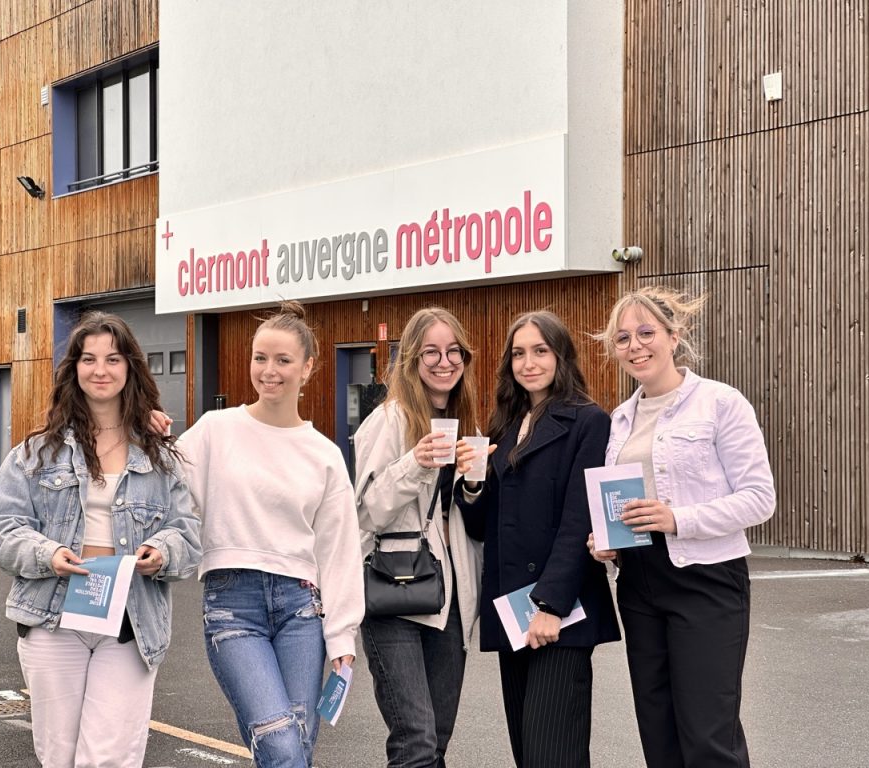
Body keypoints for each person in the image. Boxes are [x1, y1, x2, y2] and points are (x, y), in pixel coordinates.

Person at [0, 311, 202, 768]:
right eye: (89, 359)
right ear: (74, 368)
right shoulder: (35, 454)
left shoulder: (160, 456)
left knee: (109, 757)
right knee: (59, 756)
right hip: (53, 617)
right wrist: (48, 553)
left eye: (113, 359)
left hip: (129, 621)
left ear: (130, 368)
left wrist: (161, 552)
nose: (101, 370)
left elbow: (187, 533)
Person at [589, 286, 776, 768]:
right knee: (659, 733)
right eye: (623, 338)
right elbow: (622, 502)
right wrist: (606, 538)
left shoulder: (720, 402)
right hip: (638, 580)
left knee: (708, 736)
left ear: (674, 336)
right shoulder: (620, 419)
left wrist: (678, 519)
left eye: (646, 332)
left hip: (706, 580)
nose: (635, 346)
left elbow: (760, 499)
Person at [177, 300, 363, 768]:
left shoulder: (323, 453)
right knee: (281, 745)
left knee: (296, 750)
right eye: (260, 358)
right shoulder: (215, 431)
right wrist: (150, 432)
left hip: (302, 609)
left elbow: (338, 550)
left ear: (308, 367)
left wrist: (342, 637)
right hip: (232, 603)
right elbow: (164, 489)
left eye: (283, 360)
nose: (269, 371)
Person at [453, 310, 621, 768]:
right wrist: (473, 484)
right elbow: (484, 527)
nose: (528, 363)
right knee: (528, 753)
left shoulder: (589, 422)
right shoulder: (504, 426)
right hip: (515, 612)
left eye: (540, 351)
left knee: (553, 754)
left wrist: (551, 605)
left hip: (559, 613)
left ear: (561, 355)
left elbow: (578, 520)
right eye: (518, 354)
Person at [353, 307, 485, 768]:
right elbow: (366, 512)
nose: (444, 362)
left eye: (453, 351)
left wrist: (474, 483)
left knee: (436, 742)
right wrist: (416, 463)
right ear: (411, 358)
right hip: (395, 591)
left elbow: (470, 522)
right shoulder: (388, 420)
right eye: (431, 352)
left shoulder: (467, 423)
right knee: (416, 742)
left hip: (449, 598)